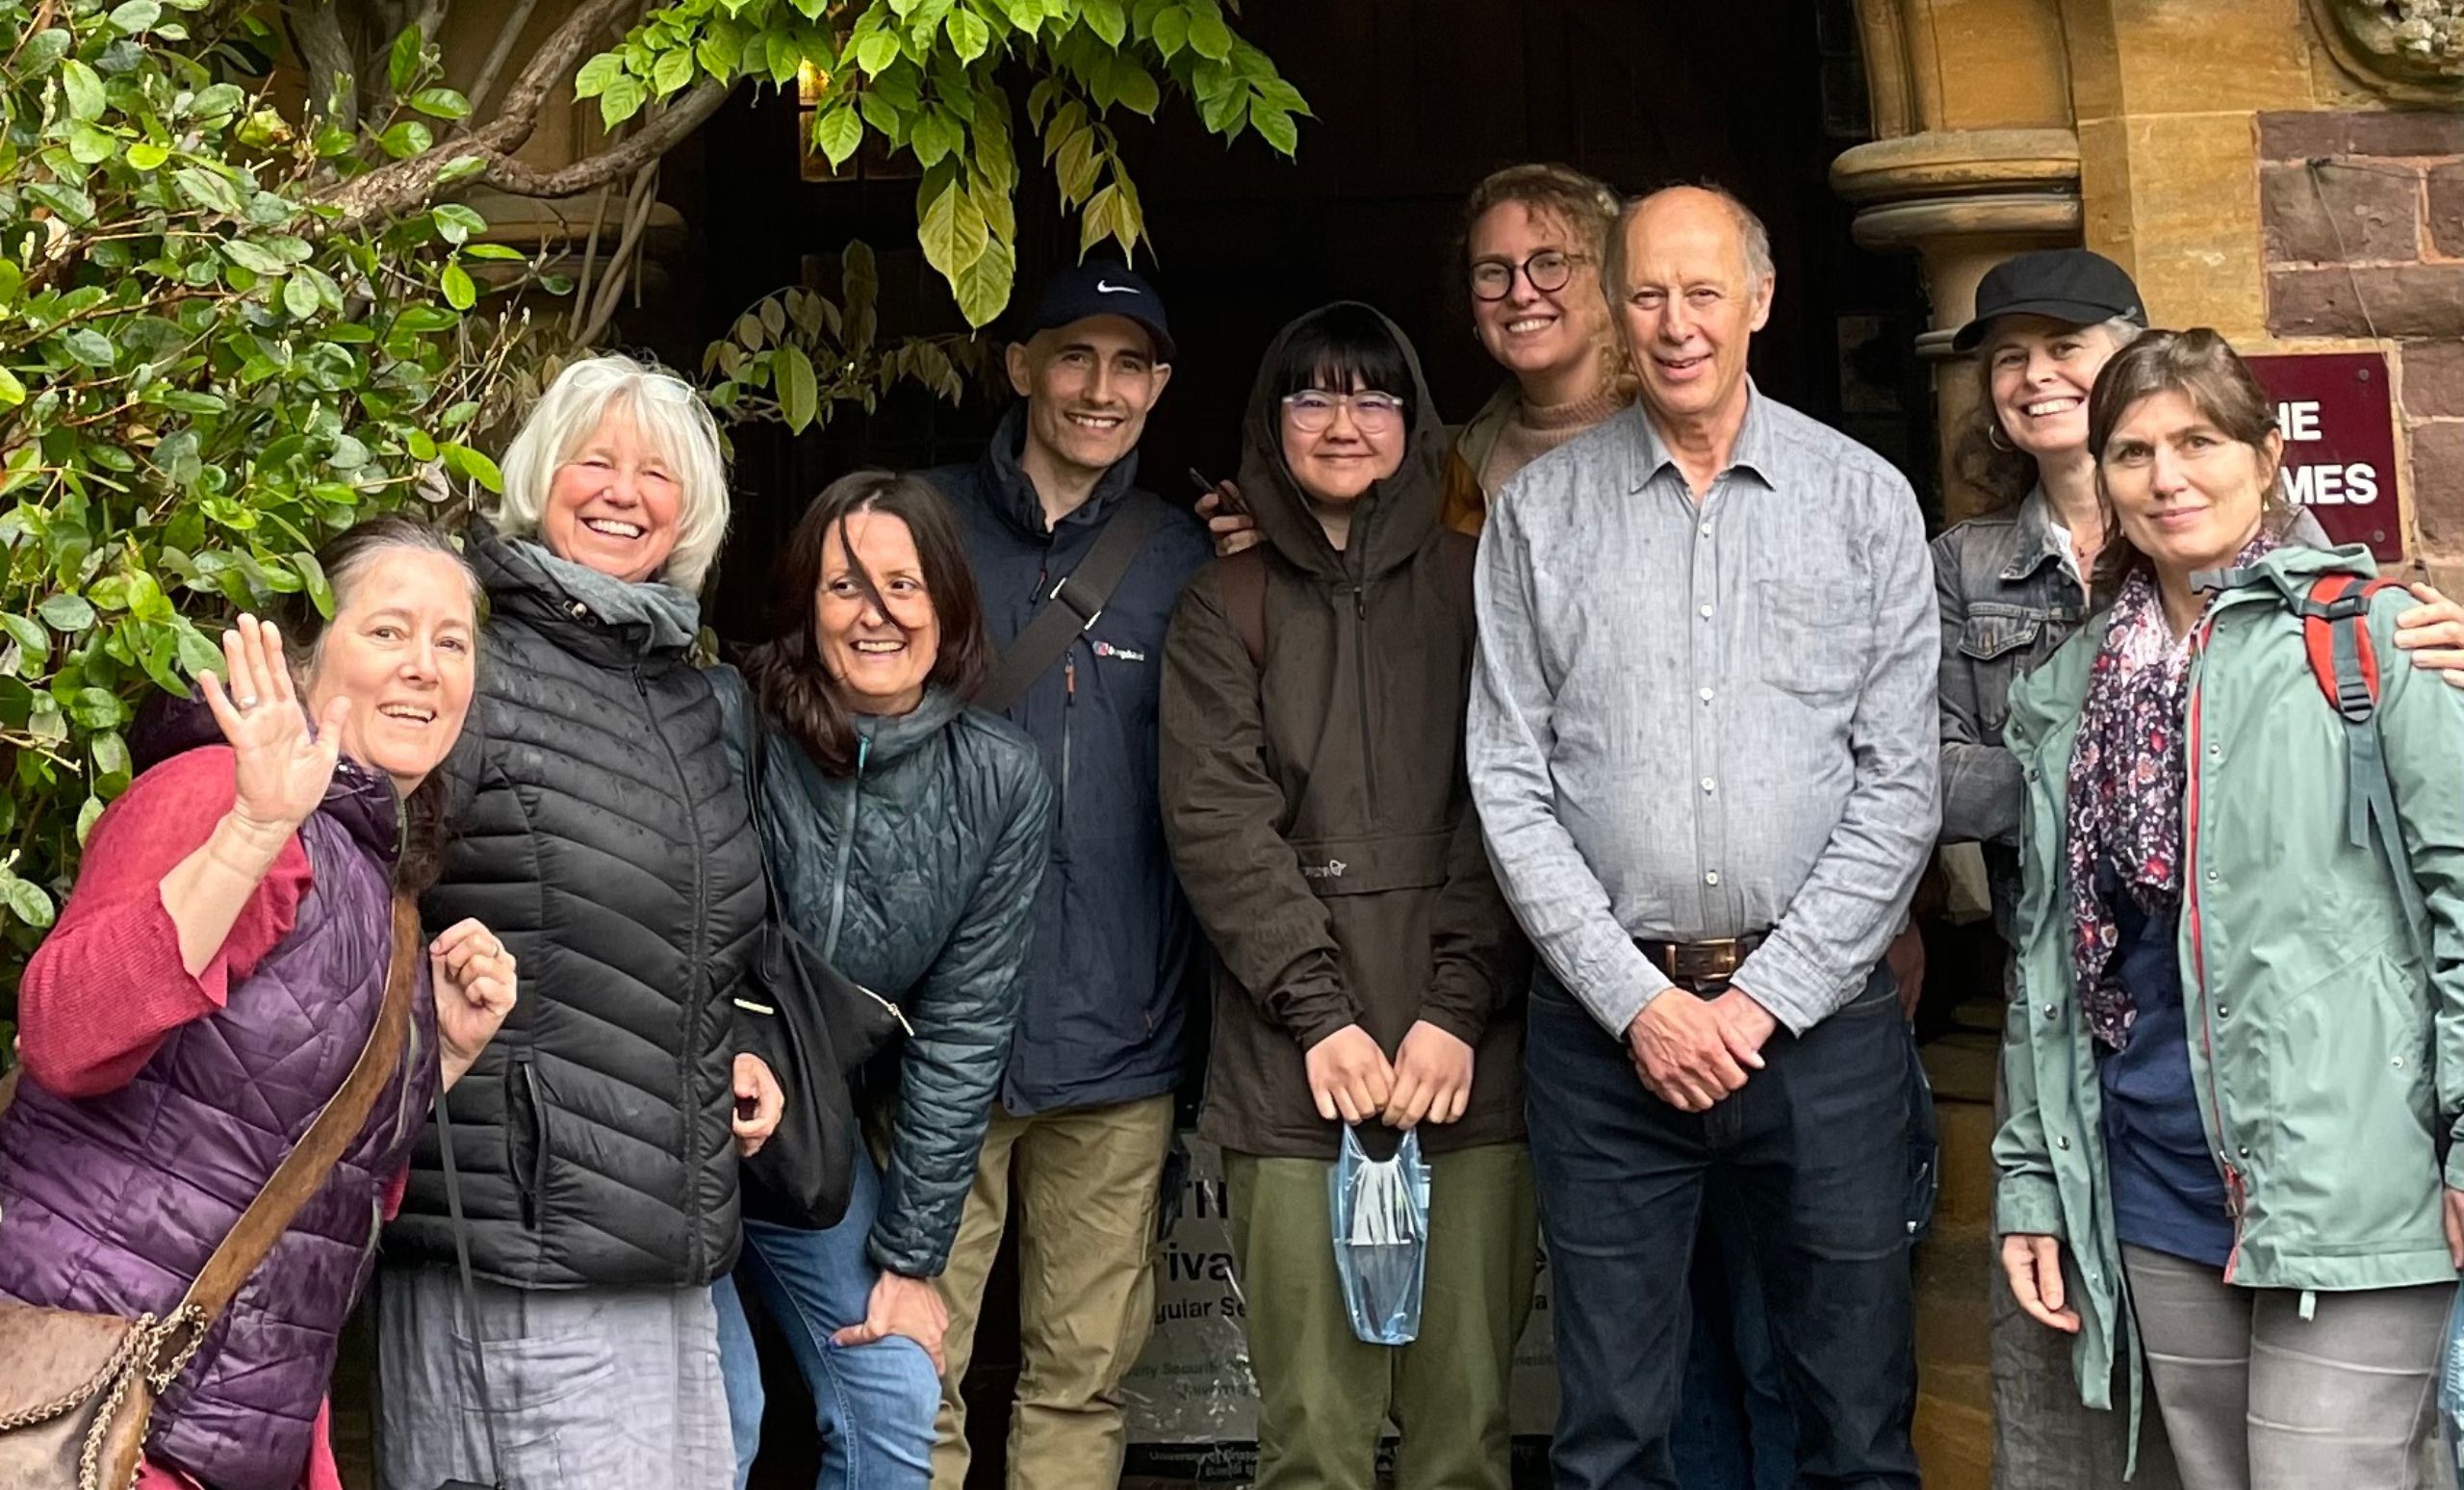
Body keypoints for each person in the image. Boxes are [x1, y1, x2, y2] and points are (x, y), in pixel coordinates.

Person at [1930, 248, 2464, 1490]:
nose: (2168, 479)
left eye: (2199, 444)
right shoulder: (2067, 691)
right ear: (2099, 478)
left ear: (2265, 457)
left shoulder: (2369, 639)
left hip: (2353, 1165)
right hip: (2154, 1171)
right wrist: (2026, 1181)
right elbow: (2050, 964)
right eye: (2133, 453)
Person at [1469, 184, 1938, 1490]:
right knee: (1615, 1434)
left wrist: (1763, 1003)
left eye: (1704, 292)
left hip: (1824, 1035)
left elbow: (1899, 787)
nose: (1677, 324)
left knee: (1851, 1425)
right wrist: (1641, 1006)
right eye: (1649, 294)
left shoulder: (1864, 502)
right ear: (1618, 313)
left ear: (1761, 302)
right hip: (1608, 1042)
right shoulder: (1539, 517)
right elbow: (1508, 783)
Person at [0, 517, 513, 1490]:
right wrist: (249, 827)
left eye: (452, 644)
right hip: (82, 1414)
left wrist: (434, 1052)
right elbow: (66, 1035)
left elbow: (311, 1207)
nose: (424, 667)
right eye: (388, 631)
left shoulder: (375, 879)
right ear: (309, 651)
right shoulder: (214, 794)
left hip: (202, 1436)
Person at [373, 355, 782, 1490]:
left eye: (657, 472)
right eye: (593, 461)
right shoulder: (476, 661)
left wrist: (737, 1049)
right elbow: (361, 891)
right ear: (541, 479)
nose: (622, 490)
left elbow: (672, 946)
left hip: (664, 1236)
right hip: (516, 1241)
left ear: (692, 511)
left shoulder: (695, 699)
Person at [1160, 301, 1530, 1490]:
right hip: (1290, 1062)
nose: (1342, 421)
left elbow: (1517, 805)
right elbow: (1217, 823)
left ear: (1415, 422)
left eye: (1374, 395)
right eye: (1310, 395)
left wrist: (1457, 1004)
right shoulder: (1226, 604)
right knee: (1310, 1431)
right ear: (1270, 423)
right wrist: (1318, 1014)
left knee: (1462, 1431)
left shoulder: (1487, 588)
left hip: (1468, 1057)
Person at [917, 263, 1211, 1490]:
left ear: (1159, 386)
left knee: (1081, 1383)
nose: (1100, 388)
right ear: (1019, 366)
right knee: (906, 1369)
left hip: (1118, 1039)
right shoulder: (914, 526)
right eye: (1074, 356)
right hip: (940, 1038)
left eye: (1129, 363)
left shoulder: (1190, 557)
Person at [714, 470, 1053, 1490]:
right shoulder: (735, 721)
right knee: (718, 1414)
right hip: (672, 1106)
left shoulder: (999, 780)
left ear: (947, 603)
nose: (874, 614)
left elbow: (964, 1028)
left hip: (805, 1137)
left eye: (902, 585)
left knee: (895, 1381)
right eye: (842, 585)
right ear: (802, 606)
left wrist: (908, 1261)